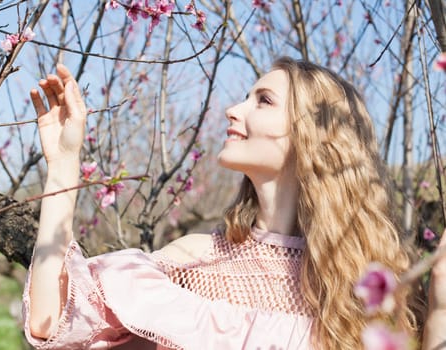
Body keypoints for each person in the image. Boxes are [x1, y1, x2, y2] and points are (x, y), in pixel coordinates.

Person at [22, 57, 446, 349]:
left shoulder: (365, 282)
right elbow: (51, 321)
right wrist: (63, 165)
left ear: (313, 136)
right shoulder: (198, 260)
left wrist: (441, 306)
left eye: (263, 100)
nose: (231, 109)